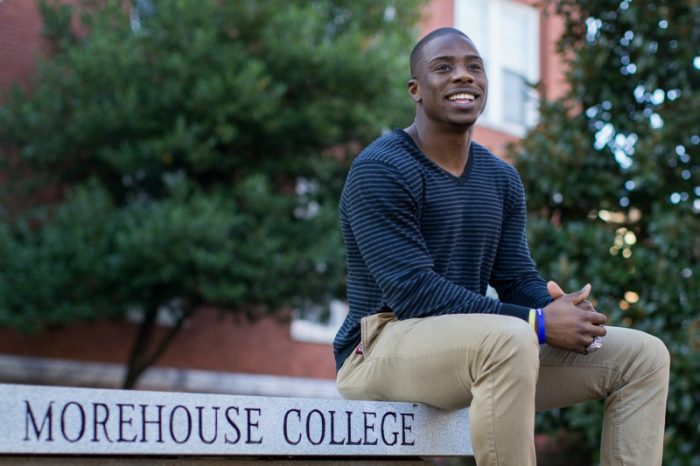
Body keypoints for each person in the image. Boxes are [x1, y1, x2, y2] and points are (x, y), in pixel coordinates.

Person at [333, 27, 669, 466]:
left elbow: (514, 278)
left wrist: (563, 311)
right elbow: (413, 293)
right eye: (444, 67)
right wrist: (540, 324)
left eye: (475, 67)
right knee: (512, 336)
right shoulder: (382, 168)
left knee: (644, 356)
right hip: (379, 348)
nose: (464, 76)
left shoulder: (501, 178)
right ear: (415, 90)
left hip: (483, 350)